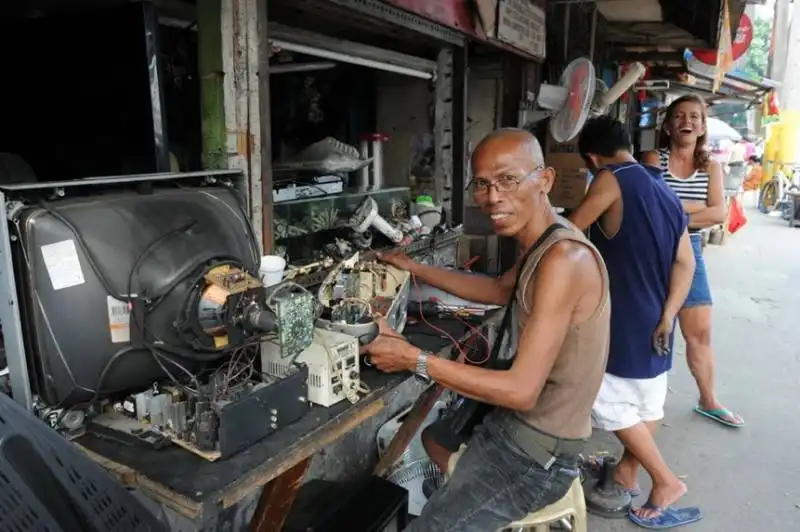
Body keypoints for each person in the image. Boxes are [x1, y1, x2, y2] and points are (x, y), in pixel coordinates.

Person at [361, 128, 611, 532]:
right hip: (515, 426)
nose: (493, 196)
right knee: (437, 439)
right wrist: (415, 267)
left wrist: (415, 359)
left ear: (545, 180)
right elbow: (497, 290)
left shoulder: (564, 259)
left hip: (536, 453)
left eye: (508, 180)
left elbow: (520, 390)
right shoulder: (546, 243)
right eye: (482, 184)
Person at [568, 116, 700, 528]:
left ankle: (664, 481)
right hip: (658, 317)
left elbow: (567, 233)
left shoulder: (611, 179)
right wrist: (668, 314)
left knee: (605, 402)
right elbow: (686, 262)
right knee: (646, 404)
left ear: (592, 158)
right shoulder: (665, 189)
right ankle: (626, 474)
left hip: (621, 315)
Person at [642, 94, 745, 429]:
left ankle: (708, 400)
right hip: (650, 254)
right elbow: (649, 210)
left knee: (699, 332)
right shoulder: (652, 159)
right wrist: (692, 209)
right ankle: (632, 402)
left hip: (691, 253)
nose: (687, 121)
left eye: (695, 117)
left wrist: (673, 209)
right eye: (680, 116)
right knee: (642, 325)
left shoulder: (710, 167)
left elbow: (718, 213)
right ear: (669, 125)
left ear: (702, 127)